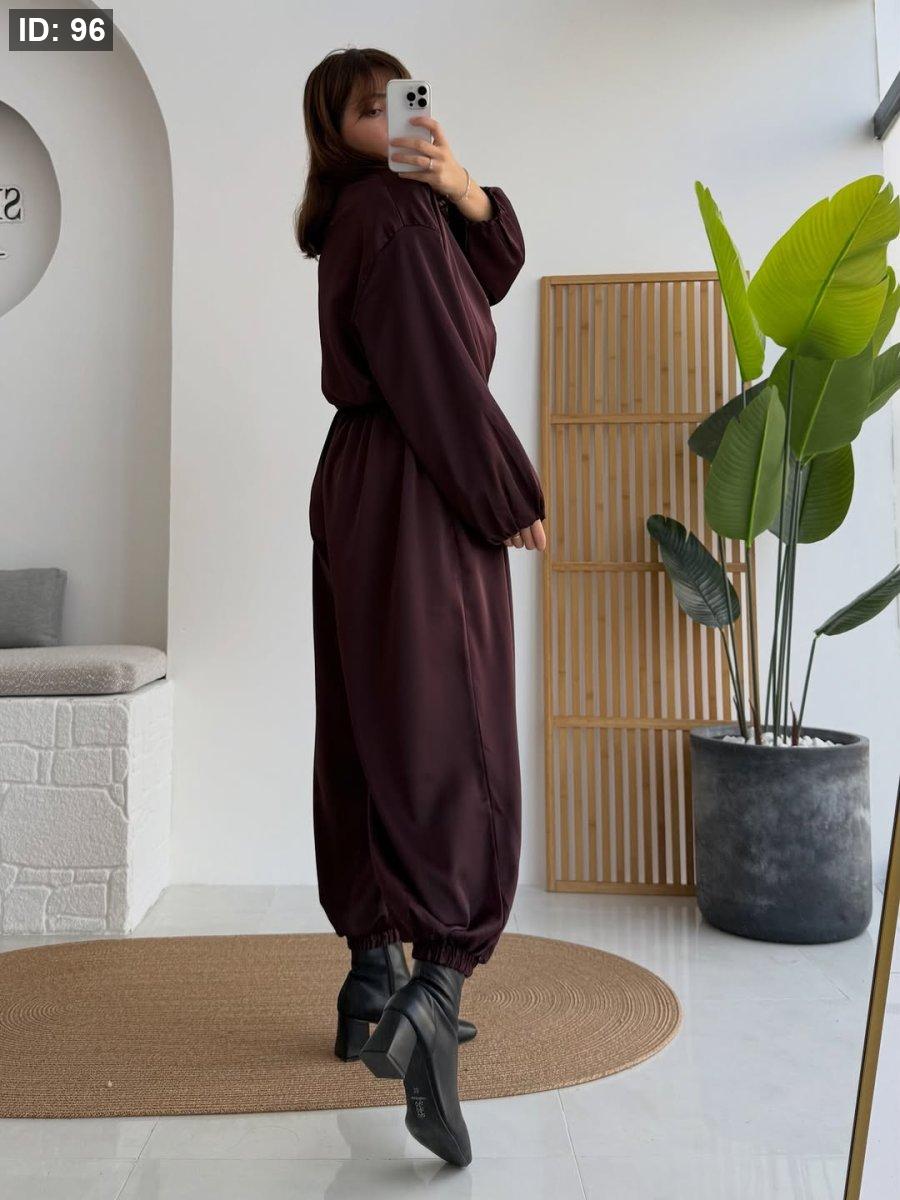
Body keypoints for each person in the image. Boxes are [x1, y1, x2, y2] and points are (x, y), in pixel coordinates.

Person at [294, 47, 546, 1168]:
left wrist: (465, 190)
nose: (398, 117)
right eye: (370, 107)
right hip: (417, 479)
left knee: (369, 722)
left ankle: (372, 977)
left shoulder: (383, 212)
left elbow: (479, 282)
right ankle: (433, 992)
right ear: (334, 129)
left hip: (360, 481)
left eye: (405, 98)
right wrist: (505, 490)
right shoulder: (392, 217)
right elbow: (440, 366)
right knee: (455, 729)